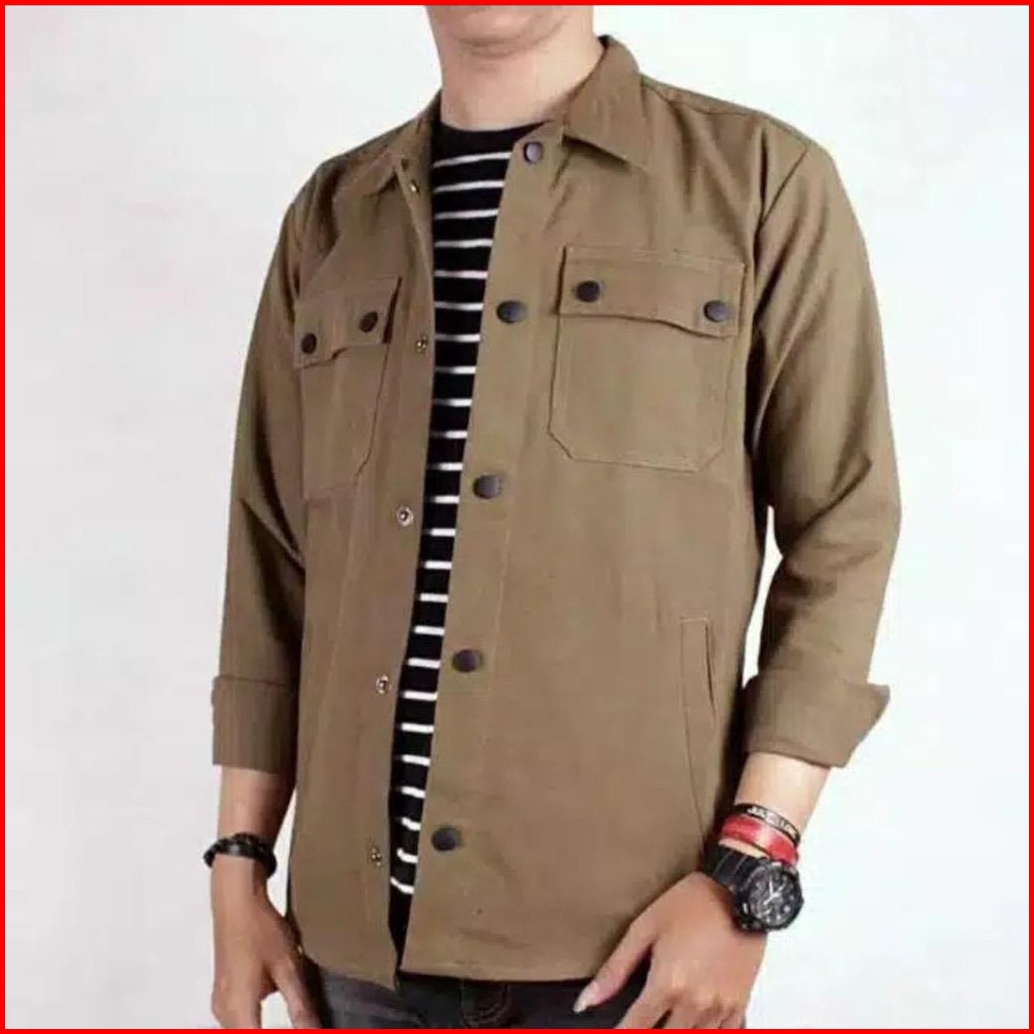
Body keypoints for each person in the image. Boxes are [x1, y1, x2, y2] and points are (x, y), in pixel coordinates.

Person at [206, 6, 900, 1029]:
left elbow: (842, 529)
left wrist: (752, 864)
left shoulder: (761, 181)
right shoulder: (332, 214)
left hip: (629, 957)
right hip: (351, 956)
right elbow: (270, 551)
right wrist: (238, 861)